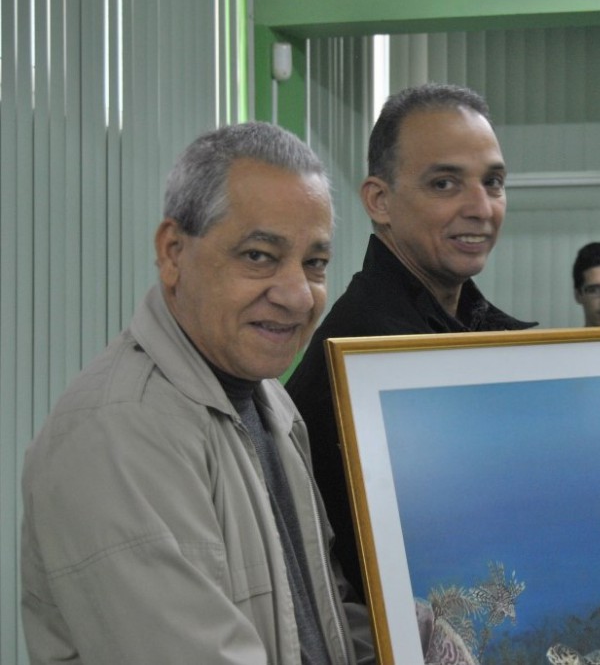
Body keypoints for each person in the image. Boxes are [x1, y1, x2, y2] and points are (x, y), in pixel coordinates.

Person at [20, 122, 375, 664]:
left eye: (315, 263)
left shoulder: (268, 402)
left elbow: (316, 615)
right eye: (259, 255)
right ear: (172, 253)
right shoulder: (118, 433)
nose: (298, 295)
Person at [286, 83, 534, 599]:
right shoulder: (367, 353)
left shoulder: (483, 333)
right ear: (380, 201)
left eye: (494, 182)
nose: (480, 208)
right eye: (445, 184)